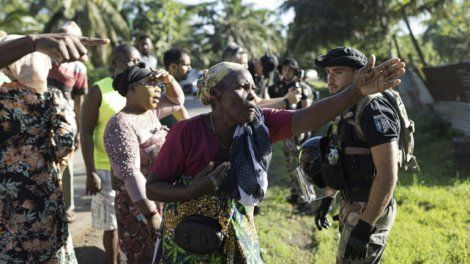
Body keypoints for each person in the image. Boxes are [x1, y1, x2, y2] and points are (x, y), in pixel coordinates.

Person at [146, 56, 405, 263]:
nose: (252, 96)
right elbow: (153, 186)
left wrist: (356, 91)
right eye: (242, 88)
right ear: (216, 94)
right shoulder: (187, 133)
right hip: (189, 236)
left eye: (253, 88)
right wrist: (192, 190)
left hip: (236, 230)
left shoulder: (260, 123)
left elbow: (309, 117)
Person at [313, 47, 401, 263]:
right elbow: (338, 157)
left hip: (370, 211)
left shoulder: (373, 109)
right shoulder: (344, 108)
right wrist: (327, 199)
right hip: (351, 205)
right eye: (328, 72)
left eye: (338, 72)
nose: (330, 79)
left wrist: (364, 228)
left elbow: (388, 175)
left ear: (359, 74)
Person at [0, 34, 81, 263]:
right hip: (43, 186)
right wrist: (53, 160)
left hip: (7, 190)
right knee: (48, 247)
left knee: (11, 243)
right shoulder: (52, 98)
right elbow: (66, 142)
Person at [103, 63, 185, 263]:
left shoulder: (150, 113)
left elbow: (176, 100)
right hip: (140, 207)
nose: (158, 89)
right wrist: (151, 215)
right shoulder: (121, 123)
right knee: (146, 256)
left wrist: (168, 79)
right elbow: (131, 173)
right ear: (131, 88)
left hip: (162, 199)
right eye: (151, 83)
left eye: (159, 84)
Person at [80, 44, 140, 264]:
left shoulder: (141, 90)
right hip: (105, 169)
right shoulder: (99, 90)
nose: (135, 65)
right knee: (110, 224)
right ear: (115, 62)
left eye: (138, 62)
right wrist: (90, 172)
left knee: (137, 220)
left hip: (135, 170)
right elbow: (85, 131)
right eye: (130, 61)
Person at [47, 21, 89, 223]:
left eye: (69, 36)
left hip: (66, 120)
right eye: (60, 35)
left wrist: (80, 130)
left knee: (67, 164)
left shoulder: (78, 67)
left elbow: (80, 100)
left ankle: (68, 207)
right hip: (41, 119)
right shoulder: (42, 58)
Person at [267, 58, 315, 211]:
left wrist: (302, 132)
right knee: (291, 166)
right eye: (285, 69)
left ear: (296, 72)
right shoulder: (281, 87)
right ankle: (296, 192)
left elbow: (307, 113)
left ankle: (307, 199)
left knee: (301, 167)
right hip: (286, 133)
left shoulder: (301, 88)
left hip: (298, 133)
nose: (287, 72)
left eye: (290, 70)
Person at [222, 43, 302, 109]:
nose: (246, 67)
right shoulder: (226, 84)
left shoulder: (244, 80)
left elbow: (258, 101)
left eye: (246, 63)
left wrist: (286, 98)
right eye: (242, 63)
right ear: (228, 62)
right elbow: (253, 110)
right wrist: (286, 101)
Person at [159, 47, 191, 127]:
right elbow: (185, 122)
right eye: (186, 65)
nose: (190, 69)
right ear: (173, 67)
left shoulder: (168, 86)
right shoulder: (164, 88)